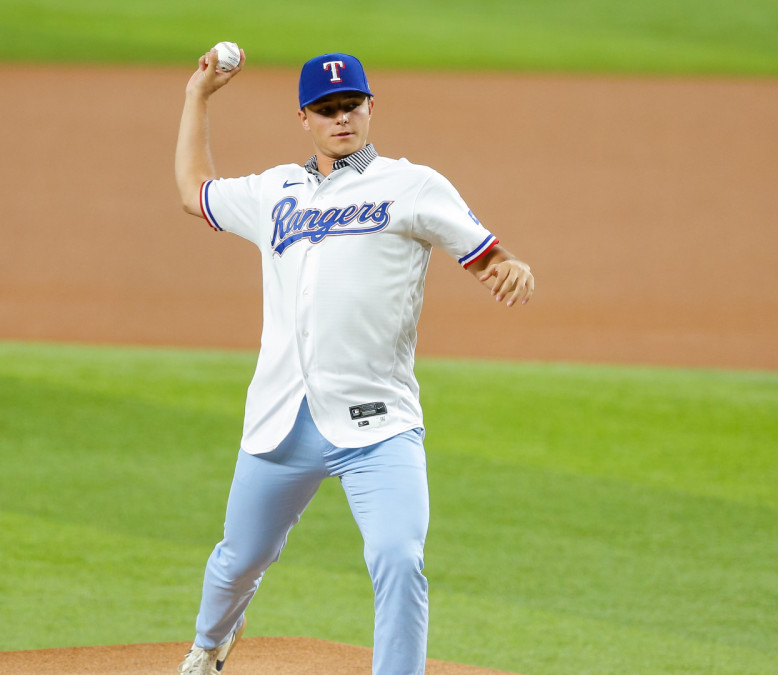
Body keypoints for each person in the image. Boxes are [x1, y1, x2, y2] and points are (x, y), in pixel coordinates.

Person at [173, 47, 534, 675]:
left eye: (351, 105)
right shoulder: (273, 192)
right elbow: (193, 192)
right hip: (283, 419)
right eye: (327, 109)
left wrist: (510, 268)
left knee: (398, 555)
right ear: (305, 118)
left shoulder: (412, 185)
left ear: (371, 107)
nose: (342, 118)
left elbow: (484, 254)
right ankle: (210, 645)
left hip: (380, 426)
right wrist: (196, 98)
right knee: (239, 559)